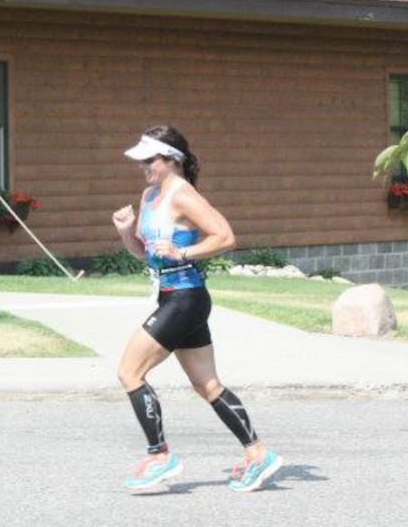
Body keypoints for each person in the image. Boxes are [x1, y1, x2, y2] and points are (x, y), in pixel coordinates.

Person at [111, 125, 283, 493]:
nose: (144, 167)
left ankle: (159, 456)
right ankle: (258, 453)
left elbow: (225, 236)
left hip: (185, 299)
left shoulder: (182, 195)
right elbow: (147, 253)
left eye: (150, 159)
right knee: (207, 385)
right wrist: (127, 233)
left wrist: (186, 252)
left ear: (172, 159)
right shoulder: (150, 195)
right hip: (172, 297)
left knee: (129, 373)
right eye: (141, 161)